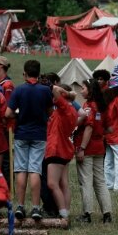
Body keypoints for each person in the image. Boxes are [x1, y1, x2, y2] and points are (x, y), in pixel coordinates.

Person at [5, 59, 52, 221]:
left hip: (21, 134)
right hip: (39, 134)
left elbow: (7, 114)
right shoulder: (45, 91)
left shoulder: (19, 90)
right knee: (35, 170)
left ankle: (20, 205)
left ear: (25, 73)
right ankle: (36, 207)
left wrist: (19, 116)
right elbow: (50, 111)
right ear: (38, 73)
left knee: (20, 170)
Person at [74, 79, 112, 223]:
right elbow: (109, 128)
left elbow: (89, 127)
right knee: (100, 181)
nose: (80, 91)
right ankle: (107, 213)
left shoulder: (89, 107)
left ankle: (87, 213)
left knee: (86, 181)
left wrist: (82, 148)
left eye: (83, 88)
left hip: (88, 148)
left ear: (90, 90)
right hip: (99, 147)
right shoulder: (103, 107)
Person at [45, 85, 78, 219]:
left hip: (57, 149)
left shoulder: (65, 108)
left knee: (52, 183)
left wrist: (67, 93)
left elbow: (55, 89)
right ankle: (66, 212)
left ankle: (62, 212)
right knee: (63, 183)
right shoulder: (69, 110)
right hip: (64, 149)